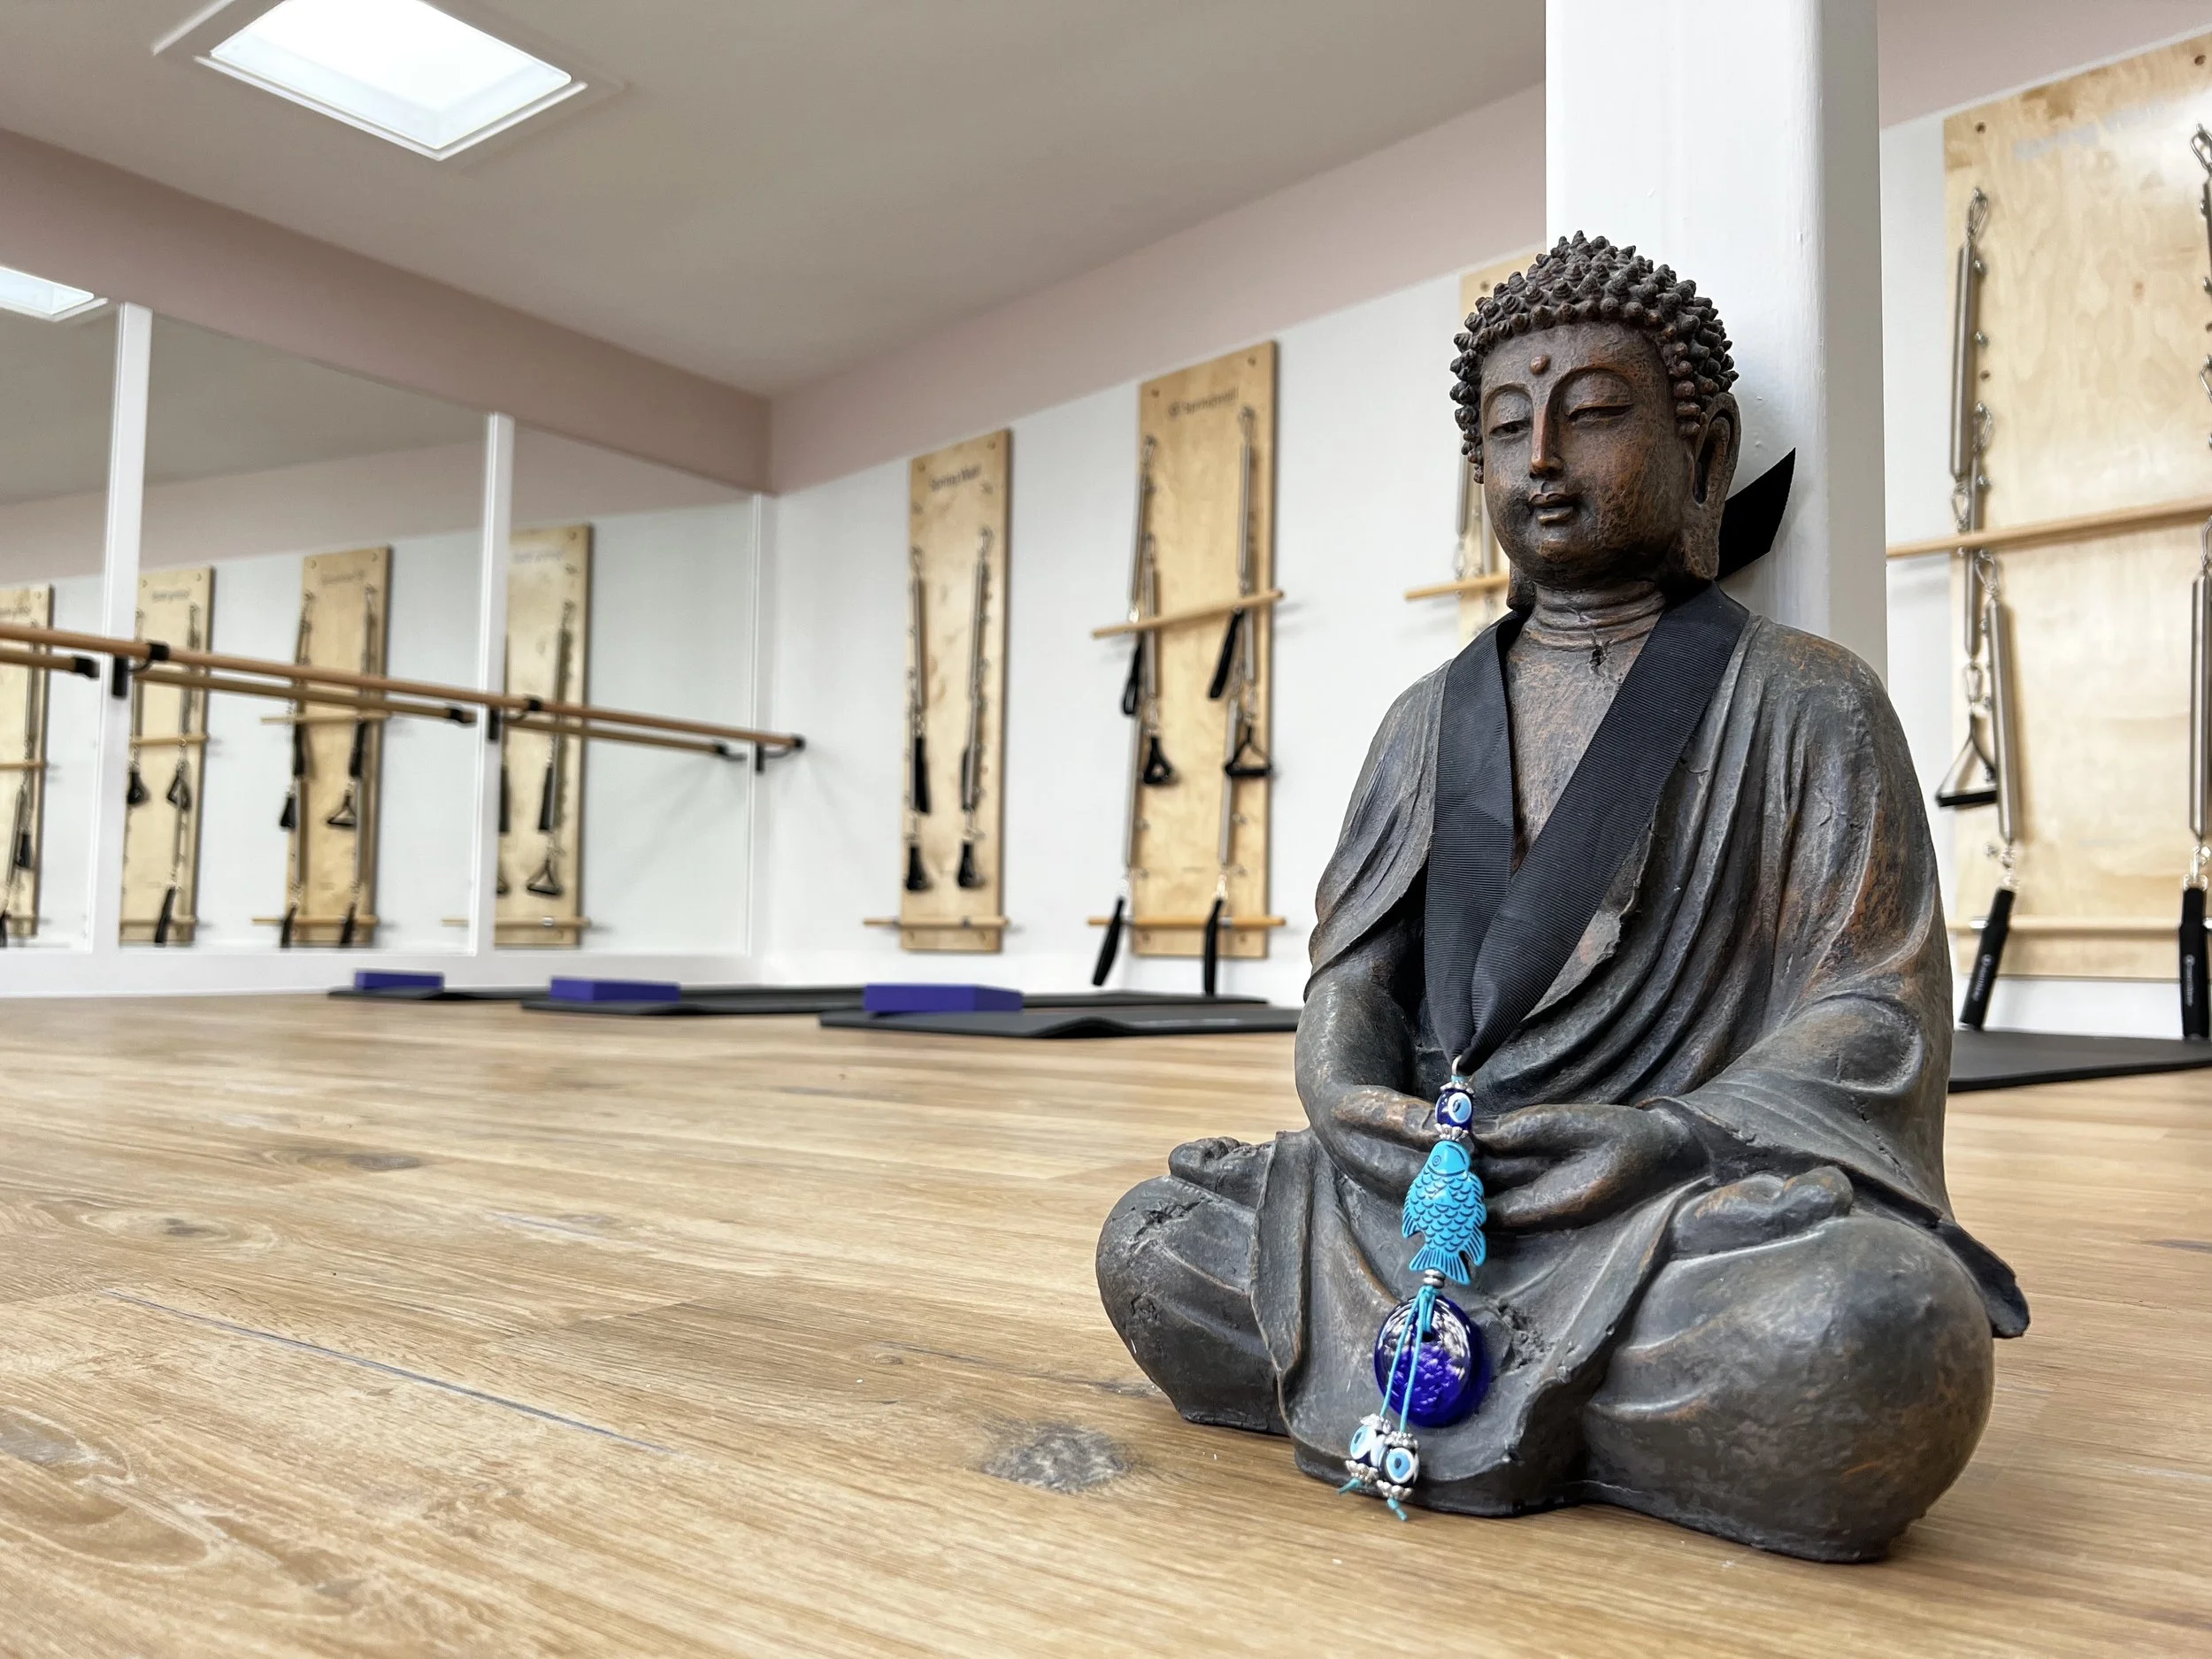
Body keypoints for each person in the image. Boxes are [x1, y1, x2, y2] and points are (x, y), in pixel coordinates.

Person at [1096, 233, 2026, 1563]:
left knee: (1878, 1332)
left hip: (1658, 1213)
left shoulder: (1809, 703)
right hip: (1411, 1199)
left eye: (1593, 416)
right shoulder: (1423, 724)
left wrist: (1669, 1135)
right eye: (1504, 428)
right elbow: (1353, 979)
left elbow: (1870, 1013)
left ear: (1703, 460)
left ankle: (1455, 1386)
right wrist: (1345, 1103)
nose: (1541, 459)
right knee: (1158, 1238)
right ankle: (1566, 1406)